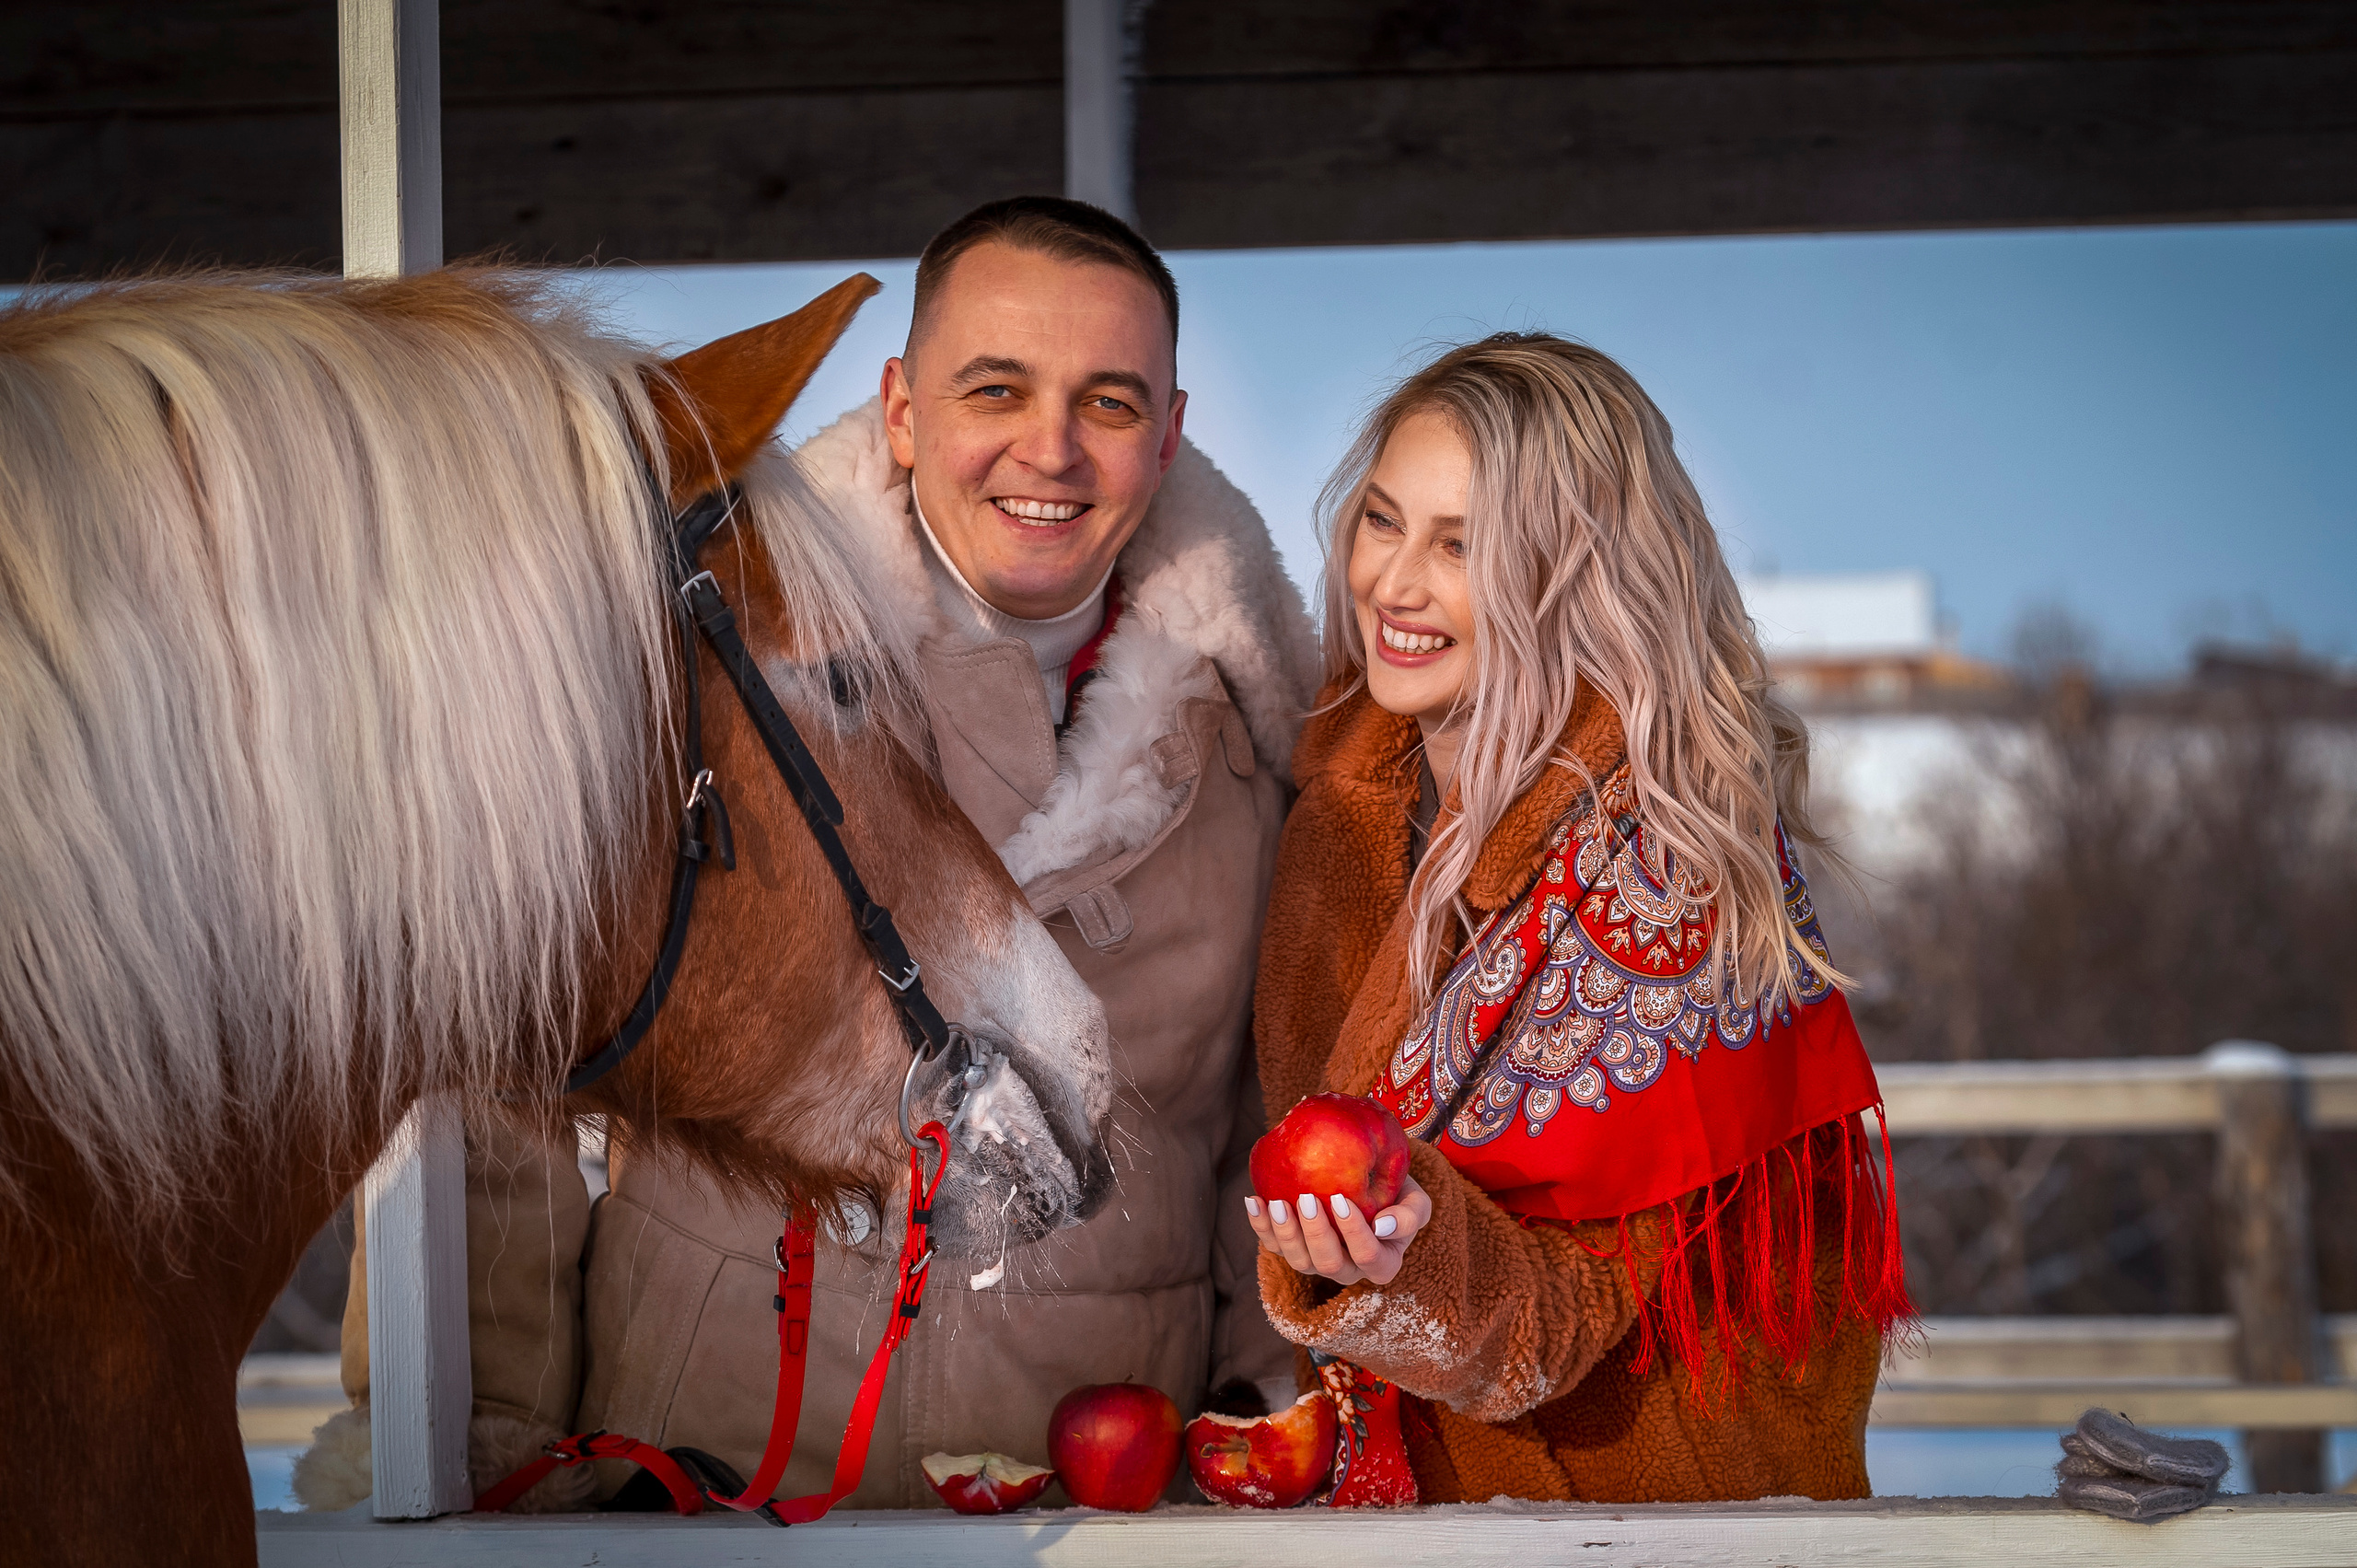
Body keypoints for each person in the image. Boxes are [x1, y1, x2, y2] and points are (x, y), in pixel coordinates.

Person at [302, 197, 1317, 1511]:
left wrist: (1271, 1442)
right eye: (994, 386)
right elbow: (508, 1069)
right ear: (900, 407)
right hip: (692, 1495)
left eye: (1110, 403)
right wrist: (489, 1436)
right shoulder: (704, 669)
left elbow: (1265, 1148)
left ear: (1168, 434)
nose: (1049, 449)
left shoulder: (1263, 764)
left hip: (1081, 1517)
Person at [1246, 333, 1913, 1504]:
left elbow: (1558, 1324)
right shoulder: (1345, 800)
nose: (1393, 582)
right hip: (1424, 1498)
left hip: (1651, 1503)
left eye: (1461, 547)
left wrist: (1404, 1254)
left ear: (1579, 573)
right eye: (1382, 519)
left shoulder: (1666, 875)